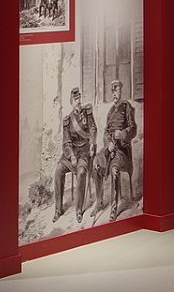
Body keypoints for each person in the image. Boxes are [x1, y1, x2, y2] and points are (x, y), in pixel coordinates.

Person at [94, 79, 138, 220]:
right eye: (112, 90)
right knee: (96, 164)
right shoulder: (110, 111)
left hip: (122, 150)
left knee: (114, 169)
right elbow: (106, 132)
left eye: (116, 89)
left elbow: (133, 129)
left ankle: (114, 208)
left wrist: (122, 133)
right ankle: (99, 202)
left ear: (121, 90)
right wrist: (108, 144)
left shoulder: (127, 107)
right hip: (111, 148)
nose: (114, 92)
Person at [53, 87, 97, 222]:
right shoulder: (67, 121)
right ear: (71, 102)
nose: (78, 101)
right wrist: (71, 156)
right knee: (58, 171)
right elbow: (66, 142)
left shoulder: (87, 113)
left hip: (84, 152)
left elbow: (93, 128)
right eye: (75, 99)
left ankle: (79, 210)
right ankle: (58, 209)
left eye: (79, 98)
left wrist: (93, 144)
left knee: (82, 172)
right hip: (70, 154)